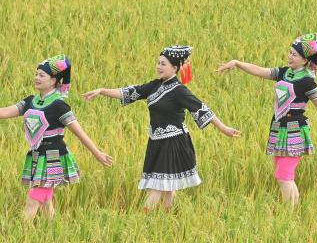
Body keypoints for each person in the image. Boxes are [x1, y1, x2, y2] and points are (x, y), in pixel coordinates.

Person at [84, 45, 241, 210]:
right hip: (156, 142)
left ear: (175, 68)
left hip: (173, 143)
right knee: (168, 189)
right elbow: (130, 92)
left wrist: (224, 129)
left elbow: (201, 108)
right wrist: (102, 91)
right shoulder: (155, 86)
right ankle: (171, 217)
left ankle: (141, 220)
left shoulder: (179, 91)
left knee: (156, 188)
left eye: (163, 64)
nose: (159, 66)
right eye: (158, 63)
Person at [217, 34, 317, 205]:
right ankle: (293, 210)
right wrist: (237, 63)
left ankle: (289, 212)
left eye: (294, 54)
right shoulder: (284, 72)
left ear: (305, 60)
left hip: (294, 128)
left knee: (283, 176)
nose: (290, 56)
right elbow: (259, 70)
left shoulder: (307, 81)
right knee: (285, 175)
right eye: (290, 52)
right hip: (279, 127)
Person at [0, 55, 113, 219]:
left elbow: (79, 132)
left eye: (41, 75)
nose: (36, 78)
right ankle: (52, 229)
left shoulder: (59, 106)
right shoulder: (30, 101)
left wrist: (97, 153)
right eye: (36, 74)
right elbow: (4, 112)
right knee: (46, 202)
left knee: (33, 200)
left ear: (53, 80)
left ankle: (22, 229)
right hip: (37, 155)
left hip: (53, 157)